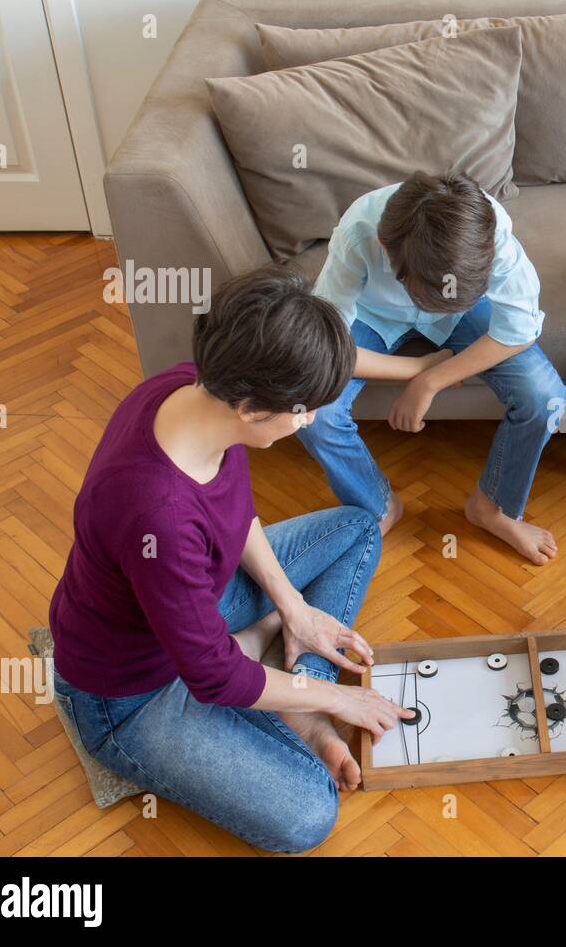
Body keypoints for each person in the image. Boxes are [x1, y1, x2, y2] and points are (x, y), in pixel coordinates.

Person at [49, 266, 412, 853]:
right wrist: (337, 698)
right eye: (301, 410)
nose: (310, 421)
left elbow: (235, 511)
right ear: (248, 406)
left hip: (193, 603)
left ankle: (274, 648)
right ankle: (295, 693)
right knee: (307, 815)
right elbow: (214, 677)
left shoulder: (194, 386)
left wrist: (293, 607)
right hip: (133, 694)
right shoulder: (156, 517)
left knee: (357, 528)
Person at [299, 171, 566, 565]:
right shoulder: (359, 232)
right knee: (313, 412)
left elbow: (520, 328)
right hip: (373, 317)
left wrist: (432, 380)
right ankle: (378, 506)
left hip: (463, 313)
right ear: (383, 248)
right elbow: (327, 346)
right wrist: (415, 366)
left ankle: (491, 508)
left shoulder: (487, 232)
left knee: (546, 398)